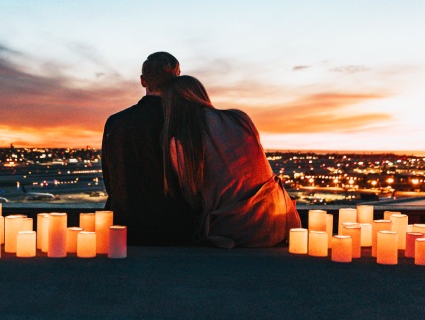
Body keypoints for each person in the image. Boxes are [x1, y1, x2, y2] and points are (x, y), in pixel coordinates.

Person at [161, 75, 300, 248]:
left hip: (237, 231)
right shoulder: (239, 118)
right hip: (282, 221)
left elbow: (192, 198)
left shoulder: (181, 142)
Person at [101, 52, 195, 245]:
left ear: (143, 81)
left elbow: (111, 182)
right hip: (174, 230)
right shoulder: (185, 122)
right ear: (177, 79)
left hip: (124, 229)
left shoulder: (115, 123)